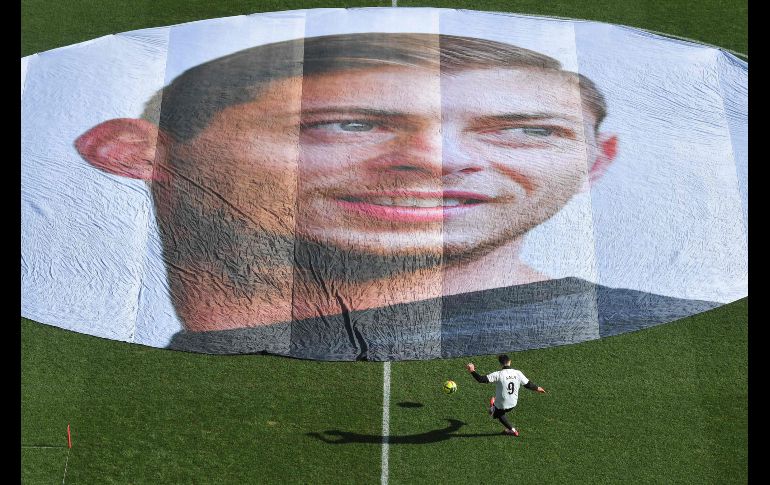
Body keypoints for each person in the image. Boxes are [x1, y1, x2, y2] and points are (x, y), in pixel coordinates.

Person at [74, 33, 720, 360]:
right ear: (135, 151)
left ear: (593, 162)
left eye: (527, 131)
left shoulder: (664, 335)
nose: (440, 160)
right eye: (348, 123)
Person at [466, 355, 545, 436]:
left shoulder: (498, 374)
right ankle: (493, 407)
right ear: (510, 361)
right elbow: (528, 385)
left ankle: (512, 430)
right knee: (499, 410)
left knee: (497, 414)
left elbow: (481, 379)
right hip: (513, 404)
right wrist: (538, 388)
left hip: (501, 405)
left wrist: (472, 370)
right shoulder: (518, 373)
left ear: (500, 364)